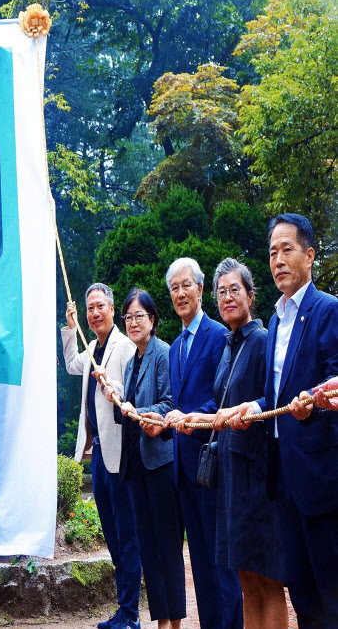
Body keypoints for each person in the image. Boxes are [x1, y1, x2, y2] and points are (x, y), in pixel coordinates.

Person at [226, 214, 338, 627]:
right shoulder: (275, 320)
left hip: (321, 476)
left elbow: (335, 378)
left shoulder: (328, 310)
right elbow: (275, 397)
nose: (278, 260)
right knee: (303, 594)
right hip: (282, 477)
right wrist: (253, 409)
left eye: (287, 249)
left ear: (310, 256)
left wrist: (318, 401)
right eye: (272, 252)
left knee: (331, 592)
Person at [172, 259, 287, 629]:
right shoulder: (228, 344)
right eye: (222, 292)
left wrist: (248, 408)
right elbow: (221, 407)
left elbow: (277, 400)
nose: (227, 297)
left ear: (251, 296)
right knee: (245, 578)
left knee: (267, 580)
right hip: (230, 478)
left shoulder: (262, 341)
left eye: (234, 290)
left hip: (257, 478)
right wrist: (195, 419)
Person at [143, 257, 242, 629]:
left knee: (222, 564)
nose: (180, 293)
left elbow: (222, 400)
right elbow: (177, 406)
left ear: (201, 289)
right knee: (199, 564)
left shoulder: (219, 336)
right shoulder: (177, 345)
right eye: (174, 288)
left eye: (187, 285)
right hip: (184, 468)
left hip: (214, 464)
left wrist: (189, 419)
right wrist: (163, 424)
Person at [98, 288, 185, 629]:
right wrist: (115, 397)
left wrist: (142, 411)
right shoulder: (133, 359)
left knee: (167, 547)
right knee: (148, 548)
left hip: (159, 462)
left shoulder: (162, 352)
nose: (133, 323)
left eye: (139, 317)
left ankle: (174, 622)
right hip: (135, 465)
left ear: (152, 319)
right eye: (129, 318)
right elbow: (127, 412)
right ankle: (161, 620)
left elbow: (168, 401)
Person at [62, 283, 140, 629]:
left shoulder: (124, 347)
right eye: (89, 308)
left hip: (120, 453)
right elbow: (70, 365)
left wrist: (113, 387)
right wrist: (70, 327)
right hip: (97, 456)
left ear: (112, 309)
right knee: (111, 534)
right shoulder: (91, 346)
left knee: (127, 536)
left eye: (99, 307)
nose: (94, 313)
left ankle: (131, 613)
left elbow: (129, 394)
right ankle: (123, 610)